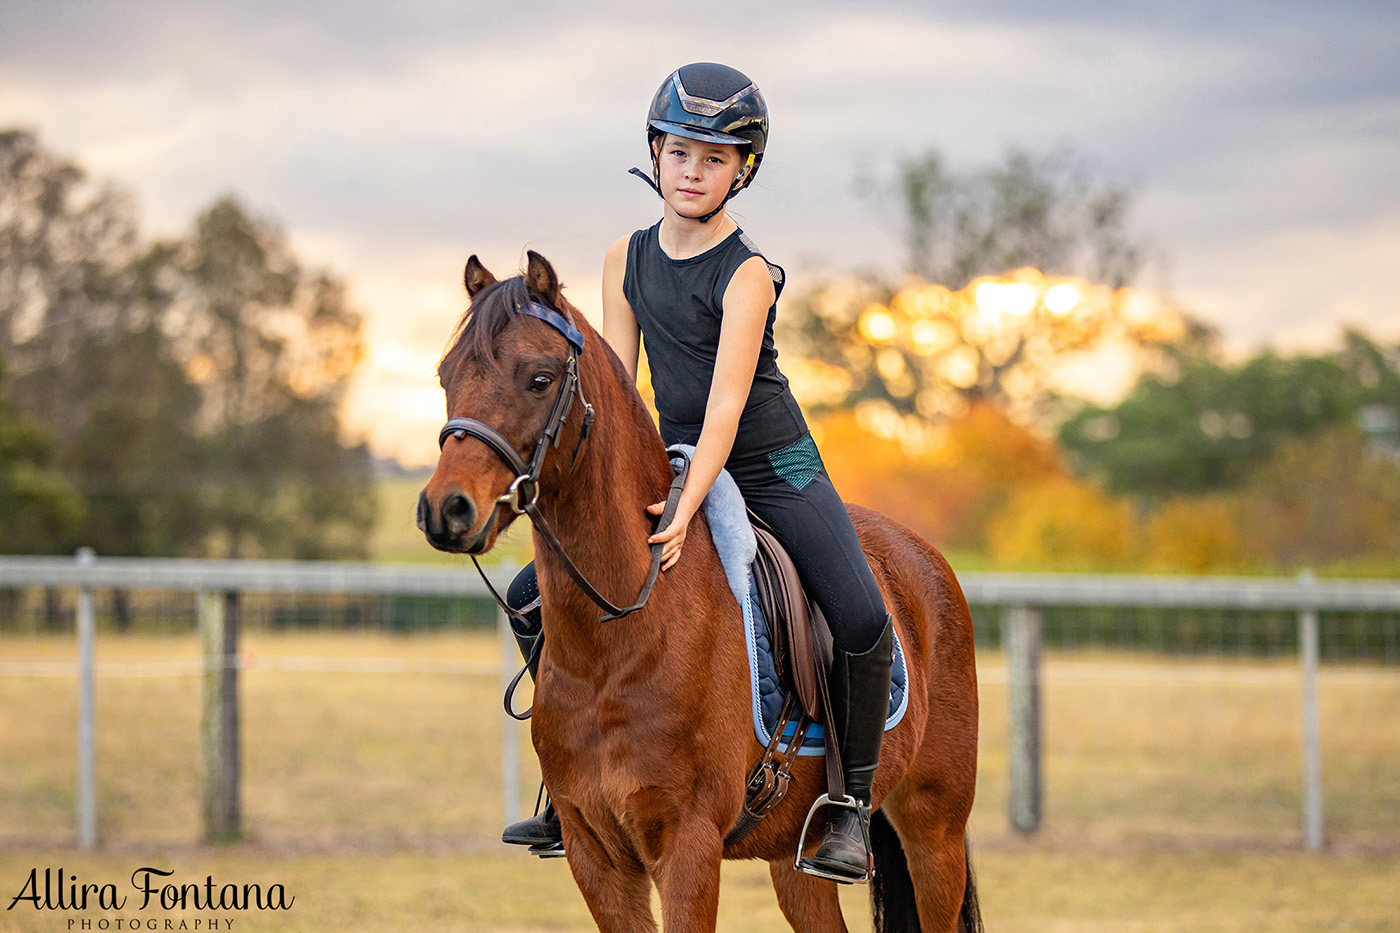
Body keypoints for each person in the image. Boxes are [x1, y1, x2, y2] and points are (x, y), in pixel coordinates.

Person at [501, 62, 894, 883]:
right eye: (680, 151)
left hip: (770, 458)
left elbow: (724, 409)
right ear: (655, 150)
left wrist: (685, 505)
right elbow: (615, 387)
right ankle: (564, 777)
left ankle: (849, 807)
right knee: (530, 595)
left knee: (858, 614)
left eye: (714, 158)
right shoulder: (625, 258)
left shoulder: (747, 273)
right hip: (670, 448)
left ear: (741, 170)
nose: (692, 171)